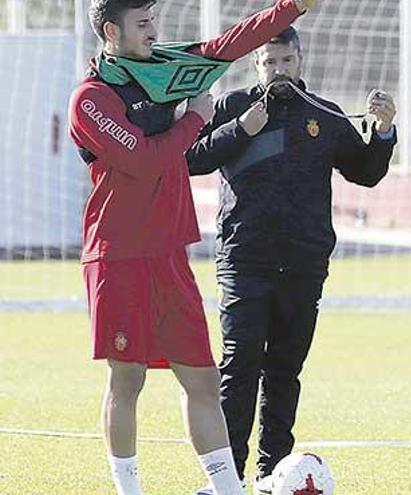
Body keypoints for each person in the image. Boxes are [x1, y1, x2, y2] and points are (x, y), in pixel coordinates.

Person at [67, 1, 318, 494]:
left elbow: (230, 45)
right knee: (127, 382)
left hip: (170, 256)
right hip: (117, 256)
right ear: (110, 31)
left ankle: (228, 490)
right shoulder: (90, 98)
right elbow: (144, 159)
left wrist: (293, 6)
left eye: (153, 20)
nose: (153, 32)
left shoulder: (166, 68)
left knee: (203, 382)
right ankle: (129, 490)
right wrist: (194, 120)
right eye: (142, 24)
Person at [186, 25, 397, 493]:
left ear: (299, 60)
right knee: (239, 365)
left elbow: (365, 172)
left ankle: (271, 475)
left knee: (284, 370)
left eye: (285, 62)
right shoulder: (232, 107)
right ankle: (225, 480)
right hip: (245, 258)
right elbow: (192, 160)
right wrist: (242, 130)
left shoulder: (324, 113)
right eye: (268, 63)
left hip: (304, 262)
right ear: (255, 64)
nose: (277, 71)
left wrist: (383, 133)